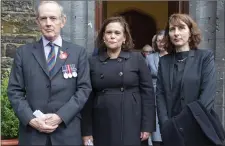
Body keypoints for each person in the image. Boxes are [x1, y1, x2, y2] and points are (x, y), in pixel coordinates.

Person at [7, 1, 92, 145]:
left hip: (66, 133)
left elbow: (84, 89)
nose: (48, 23)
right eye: (43, 18)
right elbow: (15, 91)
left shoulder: (78, 53)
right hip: (33, 135)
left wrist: (60, 116)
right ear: (37, 22)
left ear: (63, 21)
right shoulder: (23, 53)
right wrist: (31, 119)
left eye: (53, 18)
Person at [81, 16, 156, 146]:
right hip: (102, 121)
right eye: (109, 32)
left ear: (124, 38)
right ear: (103, 36)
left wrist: (147, 126)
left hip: (132, 119)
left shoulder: (137, 59)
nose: (112, 36)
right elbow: (87, 98)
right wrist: (86, 131)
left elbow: (148, 94)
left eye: (117, 33)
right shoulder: (92, 62)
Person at [156, 13, 218, 145]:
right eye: (172, 29)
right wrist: (165, 124)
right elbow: (160, 95)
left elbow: (207, 95)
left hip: (199, 127)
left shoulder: (205, 57)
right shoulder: (164, 61)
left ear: (190, 32)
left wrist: (186, 124)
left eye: (181, 28)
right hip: (172, 131)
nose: (176, 33)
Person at [146, 30, 167, 146]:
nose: (161, 43)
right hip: (154, 96)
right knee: (157, 132)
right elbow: (145, 79)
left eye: (163, 40)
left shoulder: (174, 57)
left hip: (171, 96)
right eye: (158, 41)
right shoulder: (150, 58)